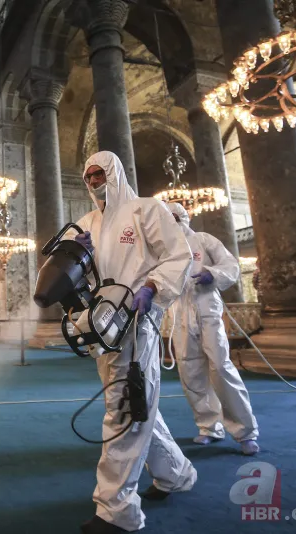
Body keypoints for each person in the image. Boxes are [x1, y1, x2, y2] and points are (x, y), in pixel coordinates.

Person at [75, 151, 197, 534]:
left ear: (114, 174)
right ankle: (176, 473)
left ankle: (116, 509)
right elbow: (81, 279)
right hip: (105, 327)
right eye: (89, 177)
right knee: (137, 403)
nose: (95, 182)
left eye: (100, 175)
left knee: (124, 409)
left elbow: (178, 256)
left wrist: (152, 287)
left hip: (140, 322)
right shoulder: (86, 224)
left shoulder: (146, 210)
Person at [165, 202, 260, 456]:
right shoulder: (162, 249)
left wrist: (211, 273)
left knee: (220, 366)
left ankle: (245, 431)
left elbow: (231, 266)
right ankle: (208, 426)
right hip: (179, 314)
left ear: (183, 217)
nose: (170, 222)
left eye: (173, 216)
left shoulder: (204, 240)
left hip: (206, 308)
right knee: (190, 370)